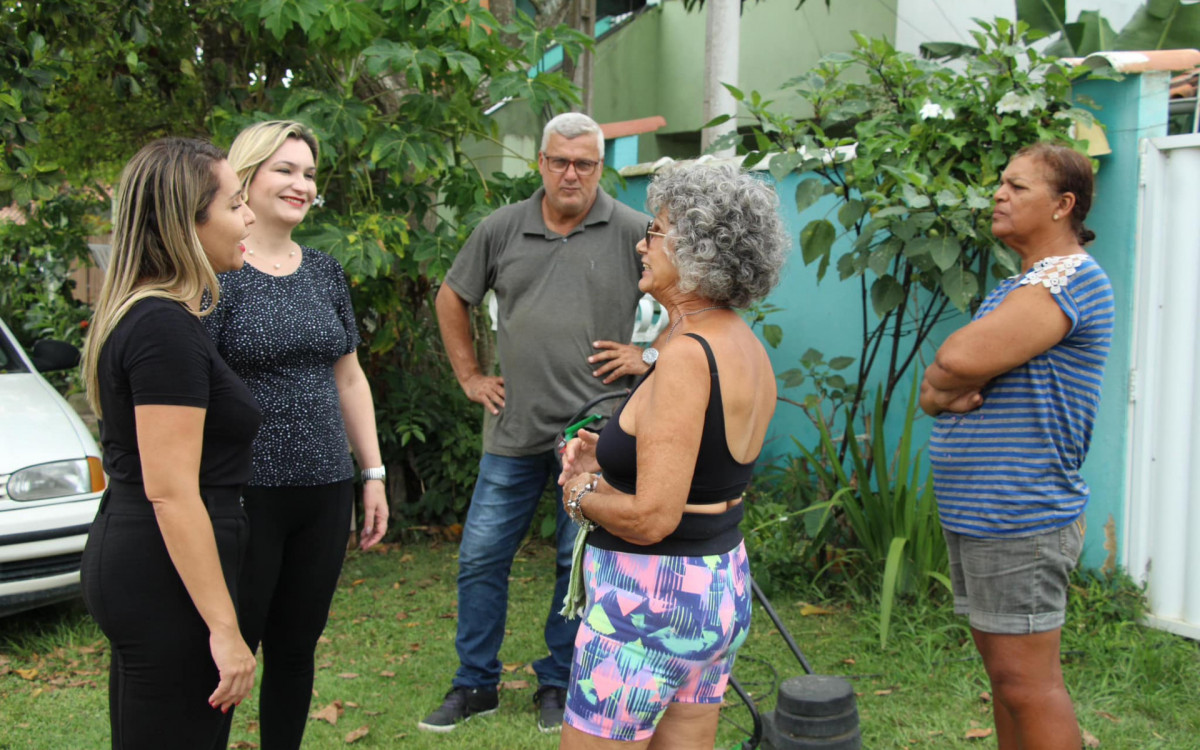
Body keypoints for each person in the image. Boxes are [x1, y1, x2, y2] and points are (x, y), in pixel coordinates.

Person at [421, 112, 651, 734]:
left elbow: (689, 301)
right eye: (559, 161)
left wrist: (647, 356)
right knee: (479, 558)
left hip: (596, 436)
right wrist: (469, 376)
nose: (570, 173)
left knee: (571, 565)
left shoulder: (633, 230)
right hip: (513, 431)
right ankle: (475, 685)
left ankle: (557, 683)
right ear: (541, 164)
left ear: (600, 168)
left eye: (584, 163)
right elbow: (452, 296)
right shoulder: (501, 228)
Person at [556, 163, 789, 748]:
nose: (642, 243)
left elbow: (654, 517)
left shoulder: (687, 355)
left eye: (655, 230)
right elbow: (702, 472)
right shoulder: (741, 343)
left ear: (698, 247)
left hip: (650, 605)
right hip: (715, 588)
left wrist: (581, 494)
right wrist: (608, 455)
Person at [920, 142, 1114, 750]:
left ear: (1063, 205)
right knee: (1005, 678)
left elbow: (955, 358)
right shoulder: (1022, 285)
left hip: (1021, 512)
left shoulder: (1071, 278)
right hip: (984, 511)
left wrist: (949, 379)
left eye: (1017, 186)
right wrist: (946, 386)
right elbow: (932, 391)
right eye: (1001, 183)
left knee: (1028, 682)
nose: (999, 195)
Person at [201, 120, 389, 750]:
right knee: (234, 647)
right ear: (245, 176)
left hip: (326, 489)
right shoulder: (216, 270)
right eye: (285, 169)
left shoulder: (325, 271)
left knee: (296, 646)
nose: (301, 184)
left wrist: (374, 473)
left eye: (308, 173)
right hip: (245, 494)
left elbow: (350, 378)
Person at [79, 137, 259, 749]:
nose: (250, 217)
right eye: (236, 204)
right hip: (164, 571)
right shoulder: (161, 328)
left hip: (159, 565)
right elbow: (171, 492)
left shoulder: (163, 319)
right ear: (187, 222)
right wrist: (225, 629)